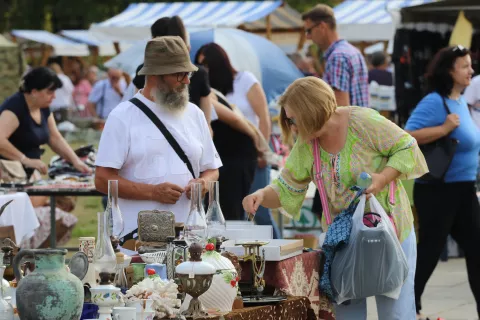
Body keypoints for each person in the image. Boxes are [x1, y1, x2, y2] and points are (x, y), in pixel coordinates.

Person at [243, 77, 428, 319]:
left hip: (390, 233)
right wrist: (259, 195)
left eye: (293, 119)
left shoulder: (362, 121)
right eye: (288, 120)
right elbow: (286, 188)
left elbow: (407, 146)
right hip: (343, 244)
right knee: (348, 315)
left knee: (396, 313)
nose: (292, 126)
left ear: (311, 112)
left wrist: (381, 178)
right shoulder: (307, 143)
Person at [94, 36, 222, 250]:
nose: (187, 81)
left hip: (190, 239)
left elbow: (212, 170)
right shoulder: (122, 116)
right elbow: (101, 179)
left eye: (188, 74)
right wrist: (152, 193)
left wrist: (202, 184)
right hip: (137, 240)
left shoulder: (195, 114)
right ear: (156, 75)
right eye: (179, 74)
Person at [405, 45, 480, 320]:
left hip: (463, 189)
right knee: (430, 251)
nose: (471, 70)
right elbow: (407, 135)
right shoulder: (436, 101)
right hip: (439, 191)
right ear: (450, 70)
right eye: (465, 66)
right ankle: (408, 306)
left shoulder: (459, 101)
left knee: (476, 249)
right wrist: (443, 129)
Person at [196, 43, 279, 238]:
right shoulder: (211, 89)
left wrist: (262, 149)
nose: (204, 69)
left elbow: (264, 116)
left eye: (206, 63)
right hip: (229, 156)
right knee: (239, 210)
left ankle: (279, 253)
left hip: (253, 152)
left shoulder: (245, 80)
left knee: (262, 211)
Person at [0, 67, 92, 178]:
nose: (54, 96)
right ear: (34, 92)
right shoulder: (14, 107)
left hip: (28, 170)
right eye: (49, 92)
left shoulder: (43, 107)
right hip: (7, 171)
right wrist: (25, 160)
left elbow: (54, 138)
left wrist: (76, 161)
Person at [122, 16, 213, 126]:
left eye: (187, 74)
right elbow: (208, 125)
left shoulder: (144, 71)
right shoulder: (200, 73)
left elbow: (137, 111)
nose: (186, 81)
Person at [302, 4, 369, 107]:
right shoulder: (353, 51)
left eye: (309, 31)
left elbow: (339, 108)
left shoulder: (337, 57)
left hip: (348, 123)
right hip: (360, 121)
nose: (308, 37)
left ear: (322, 27)